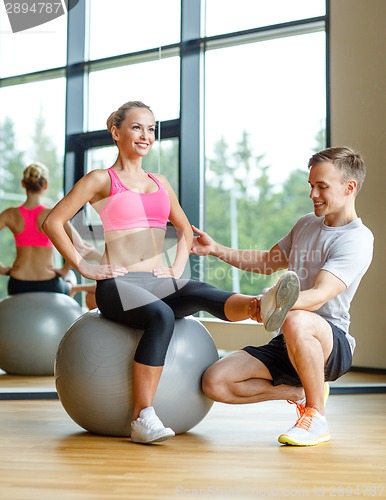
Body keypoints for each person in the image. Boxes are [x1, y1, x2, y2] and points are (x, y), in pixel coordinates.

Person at [42, 100, 300, 445]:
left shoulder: (160, 182)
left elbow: (184, 229)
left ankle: (260, 306)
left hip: (158, 280)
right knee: (162, 317)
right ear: (116, 132)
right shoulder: (101, 180)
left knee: (201, 291)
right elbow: (52, 221)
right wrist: (84, 265)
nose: (146, 135)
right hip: (118, 285)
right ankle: (142, 417)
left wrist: (177, 266)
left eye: (151, 129)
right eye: (136, 127)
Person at [191, 146, 374, 447]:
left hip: (331, 342)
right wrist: (216, 249)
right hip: (289, 338)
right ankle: (297, 392)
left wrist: (273, 303)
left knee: (297, 318)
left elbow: (317, 297)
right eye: (311, 186)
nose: (313, 194)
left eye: (322, 186)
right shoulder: (305, 224)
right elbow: (266, 261)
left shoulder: (357, 239)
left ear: (349, 187)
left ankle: (316, 416)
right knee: (215, 382)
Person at [0, 162, 100, 307]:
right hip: (48, 283)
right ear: (45, 185)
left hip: (18, 284)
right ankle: (73, 288)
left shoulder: (10, 214)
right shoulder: (52, 215)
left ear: (23, 184)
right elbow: (79, 245)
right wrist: (64, 270)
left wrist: (2, 269)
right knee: (70, 279)